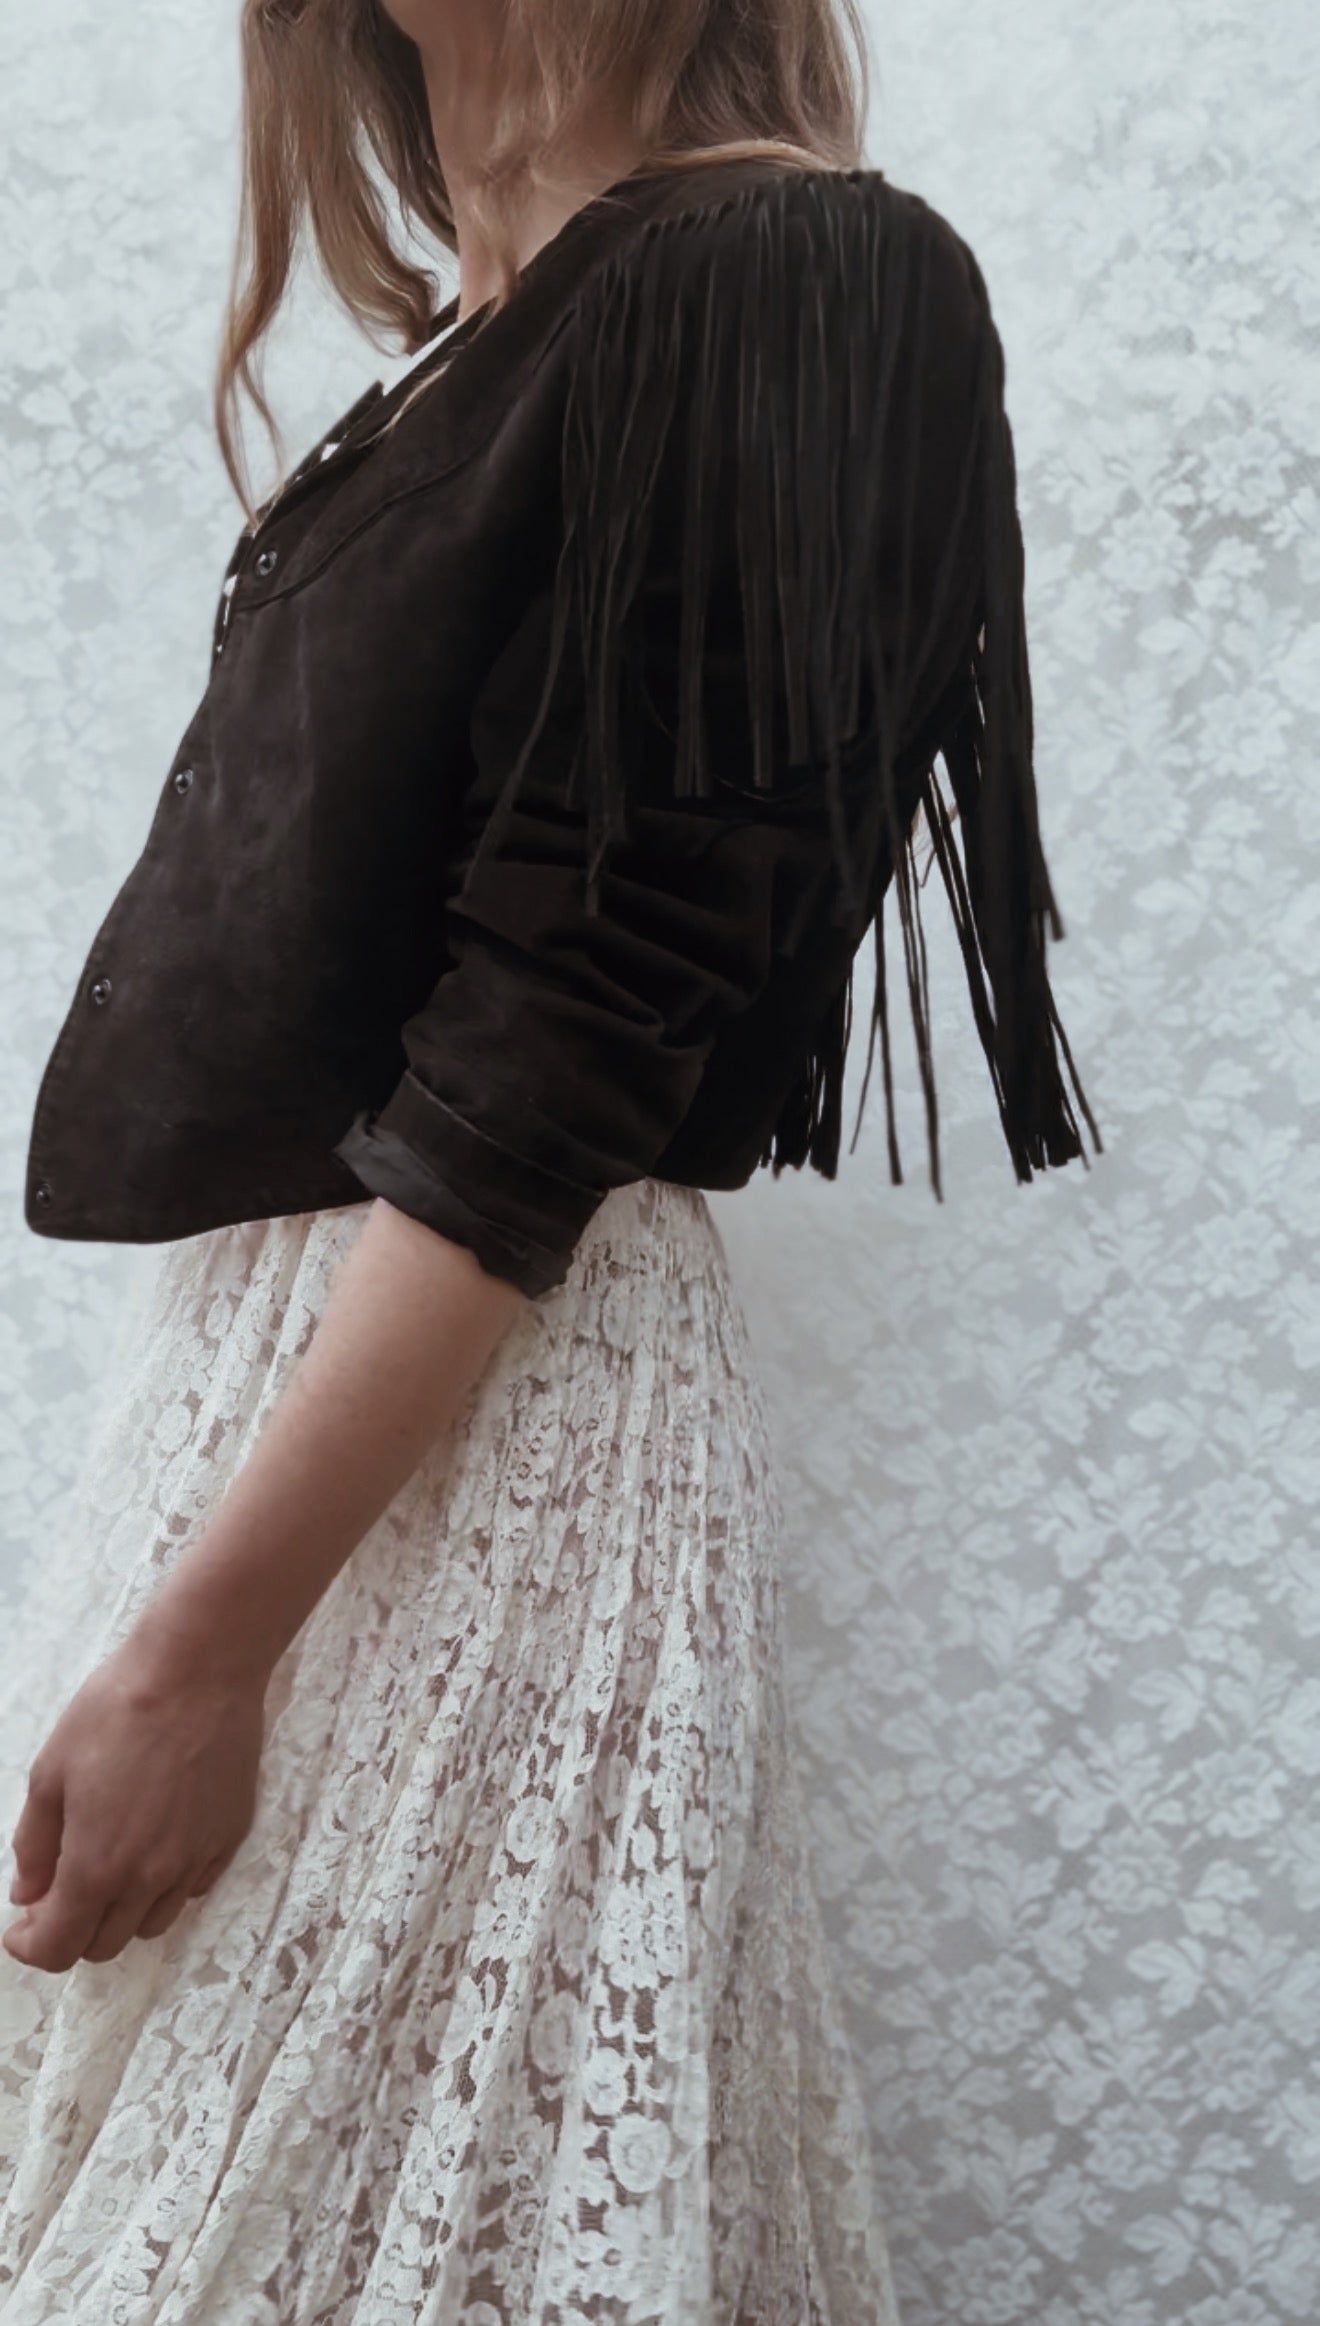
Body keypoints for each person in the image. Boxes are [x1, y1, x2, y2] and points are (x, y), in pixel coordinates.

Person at [0, 0, 1101, 2316]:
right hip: (273, 1411)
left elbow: (571, 1030)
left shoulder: (799, 278)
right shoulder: (465, 353)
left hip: (484, 1437)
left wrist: (205, 1649)